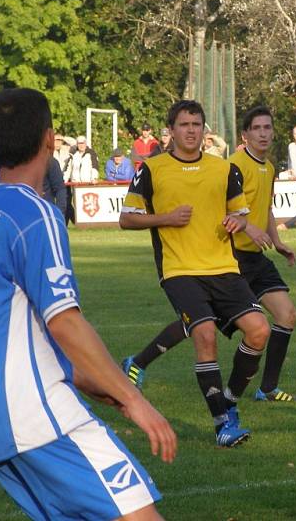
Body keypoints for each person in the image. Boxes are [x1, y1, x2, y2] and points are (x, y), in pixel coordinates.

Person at [0, 88, 175, 519]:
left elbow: (14, 326)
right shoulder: (37, 213)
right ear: (50, 139)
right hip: (41, 416)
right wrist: (133, 399)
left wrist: (89, 378)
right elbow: (64, 323)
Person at [119, 99, 271, 448]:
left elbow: (241, 214)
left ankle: (229, 399)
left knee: (260, 331)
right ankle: (223, 423)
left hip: (224, 267)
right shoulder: (152, 169)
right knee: (204, 333)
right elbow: (127, 218)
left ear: (204, 130)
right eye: (184, 125)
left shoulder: (223, 169)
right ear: (170, 130)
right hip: (179, 269)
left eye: (197, 125)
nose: (191, 131)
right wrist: (165, 218)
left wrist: (239, 222)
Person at [229, 106, 296, 401]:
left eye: (267, 128)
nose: (263, 133)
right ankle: (141, 361)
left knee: (287, 315)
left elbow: (266, 208)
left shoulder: (269, 168)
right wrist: (248, 229)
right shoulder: (233, 165)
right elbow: (223, 210)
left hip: (256, 257)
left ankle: (267, 388)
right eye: (256, 128)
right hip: (231, 257)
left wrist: (277, 240)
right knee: (198, 321)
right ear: (245, 135)